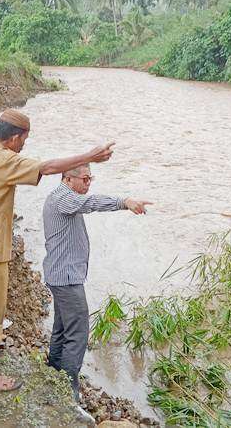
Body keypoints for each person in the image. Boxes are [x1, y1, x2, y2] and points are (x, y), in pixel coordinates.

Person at [0, 108, 115, 392]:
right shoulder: (5, 160)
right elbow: (47, 167)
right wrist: (89, 156)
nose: (24, 145)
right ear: (16, 138)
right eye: (24, 140)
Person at [42, 164, 151, 401]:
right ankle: (68, 387)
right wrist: (125, 202)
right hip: (66, 278)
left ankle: (54, 373)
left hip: (61, 275)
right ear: (68, 179)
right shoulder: (64, 198)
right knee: (78, 332)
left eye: (91, 178)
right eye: (85, 179)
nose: (88, 183)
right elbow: (92, 203)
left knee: (62, 327)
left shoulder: (62, 196)